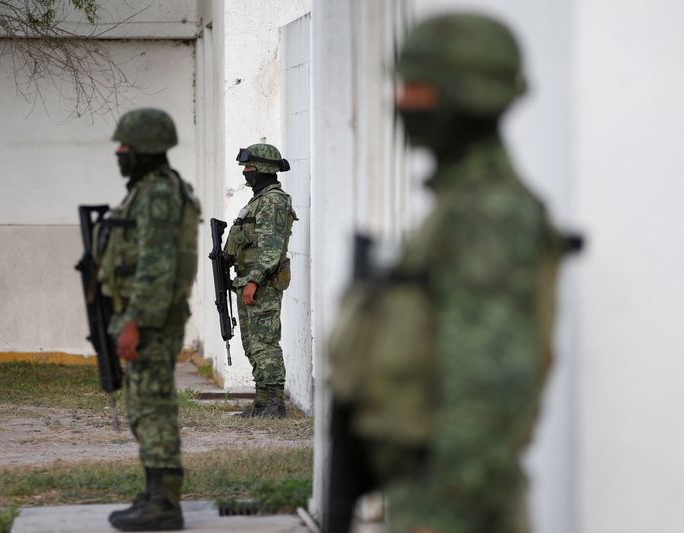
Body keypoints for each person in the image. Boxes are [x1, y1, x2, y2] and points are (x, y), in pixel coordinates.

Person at [327, 13, 578, 533]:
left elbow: (489, 392)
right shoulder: (459, 207)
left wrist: (440, 515)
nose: (402, 103)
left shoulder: (488, 214)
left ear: (466, 95)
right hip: (432, 490)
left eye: (417, 87)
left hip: (455, 501)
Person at [98, 108, 200, 531]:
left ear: (145, 148)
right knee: (144, 406)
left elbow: (156, 265)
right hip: (148, 318)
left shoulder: (157, 194)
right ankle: (155, 491)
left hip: (151, 322)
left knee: (153, 408)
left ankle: (163, 503)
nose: (120, 152)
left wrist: (135, 321)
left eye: (126, 145)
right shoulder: (150, 189)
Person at [224, 143, 296, 418]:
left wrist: (253, 280)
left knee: (265, 343)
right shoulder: (259, 200)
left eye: (250, 167)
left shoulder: (274, 201)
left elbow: (272, 248)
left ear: (264, 169)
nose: (245, 172)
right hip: (249, 281)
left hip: (261, 283)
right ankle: (262, 402)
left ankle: (275, 405)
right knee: (252, 344)